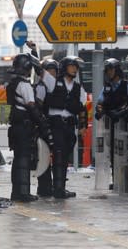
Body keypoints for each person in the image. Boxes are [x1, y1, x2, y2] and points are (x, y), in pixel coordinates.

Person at [6, 53, 54, 202]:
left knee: (18, 159)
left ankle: (17, 192)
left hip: (16, 127)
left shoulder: (12, 83)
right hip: (24, 127)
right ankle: (23, 193)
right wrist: (43, 124)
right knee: (24, 160)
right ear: (27, 69)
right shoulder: (24, 85)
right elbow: (32, 107)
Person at [42, 56, 88, 198]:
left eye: (76, 67)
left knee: (65, 157)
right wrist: (33, 51)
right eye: (72, 66)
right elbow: (40, 71)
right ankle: (58, 189)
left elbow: (82, 108)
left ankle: (60, 187)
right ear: (64, 67)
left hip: (69, 126)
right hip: (56, 125)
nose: (75, 69)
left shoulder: (78, 88)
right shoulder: (53, 82)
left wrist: (83, 126)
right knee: (58, 155)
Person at [95, 58, 128, 188]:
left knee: (123, 153)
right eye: (107, 70)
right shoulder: (107, 87)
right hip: (110, 125)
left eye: (111, 69)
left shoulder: (126, 86)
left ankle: (124, 180)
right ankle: (116, 180)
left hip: (123, 124)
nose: (109, 72)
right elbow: (100, 102)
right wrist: (99, 109)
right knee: (113, 153)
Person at [34, 58, 59, 197]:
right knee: (43, 157)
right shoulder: (41, 87)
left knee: (59, 158)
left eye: (53, 71)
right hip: (44, 126)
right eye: (48, 71)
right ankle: (44, 187)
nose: (51, 74)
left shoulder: (58, 87)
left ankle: (57, 186)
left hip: (56, 126)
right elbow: (38, 108)